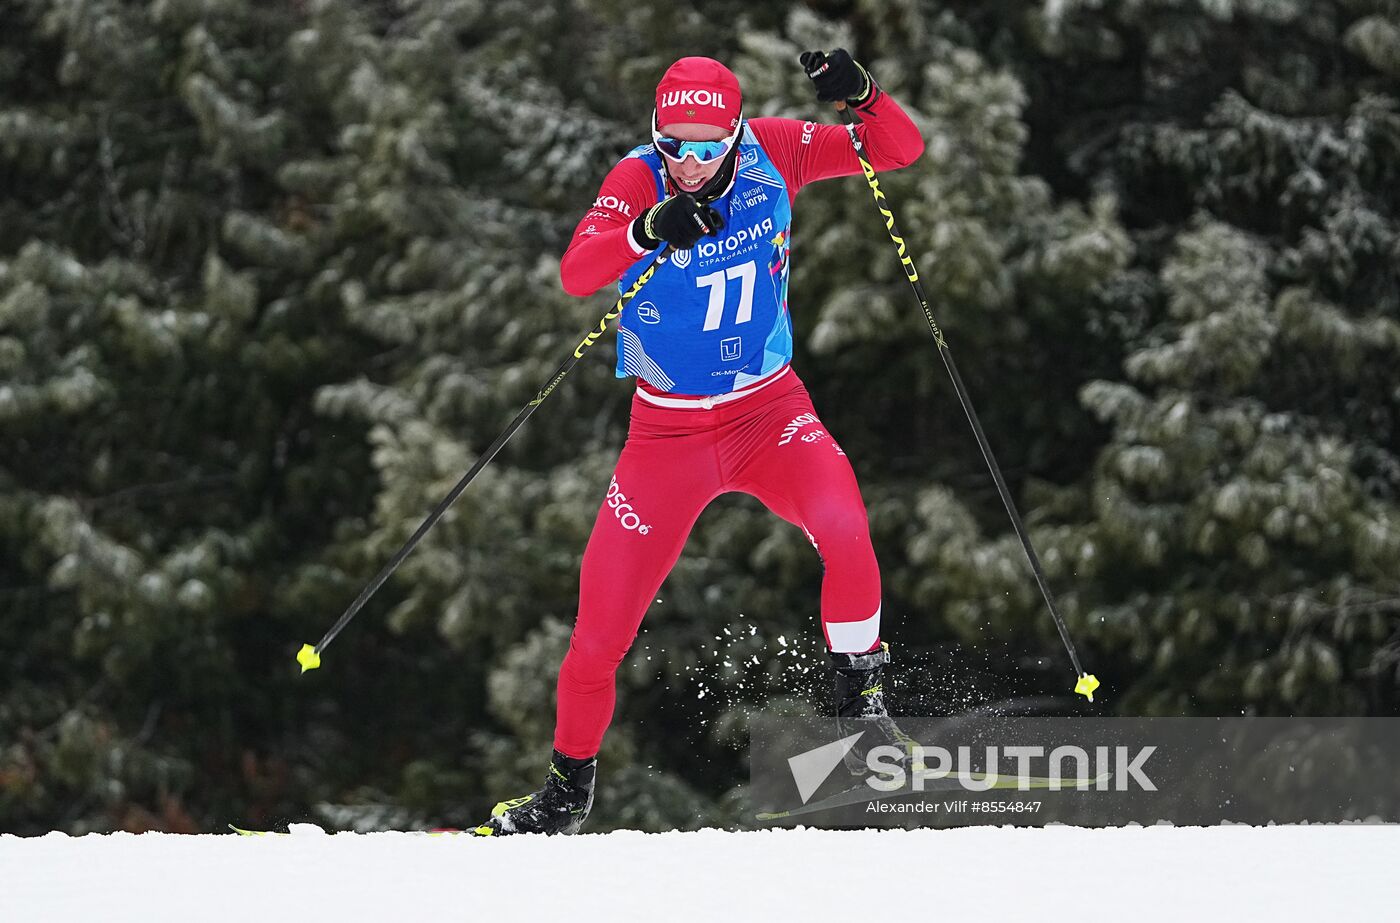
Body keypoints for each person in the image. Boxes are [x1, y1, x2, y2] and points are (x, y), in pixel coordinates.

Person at [473, 49, 925, 836]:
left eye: (706, 146)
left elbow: (899, 150)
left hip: (767, 413)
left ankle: (865, 719)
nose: (687, 162)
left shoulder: (776, 151)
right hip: (666, 435)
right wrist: (647, 228)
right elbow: (579, 272)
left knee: (848, 530)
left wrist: (862, 96)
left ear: (737, 133)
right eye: (672, 142)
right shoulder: (637, 179)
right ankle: (563, 795)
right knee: (595, 635)